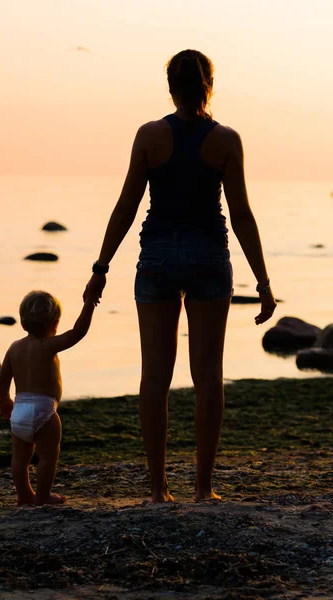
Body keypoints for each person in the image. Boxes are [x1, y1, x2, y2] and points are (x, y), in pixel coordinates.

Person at [84, 49, 277, 503]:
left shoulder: (149, 136)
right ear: (211, 84)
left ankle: (156, 490)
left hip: (156, 259)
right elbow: (242, 214)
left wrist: (101, 267)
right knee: (208, 376)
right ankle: (203, 488)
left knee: (155, 377)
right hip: (209, 254)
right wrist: (264, 283)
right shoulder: (226, 140)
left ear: (170, 86)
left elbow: (127, 206)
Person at [0, 290, 96, 505]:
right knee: (48, 457)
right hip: (44, 409)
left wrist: (4, 401)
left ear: (22, 320)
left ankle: (24, 496)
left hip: (20, 409)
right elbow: (78, 332)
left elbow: (3, 377)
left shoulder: (15, 348)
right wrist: (89, 304)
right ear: (55, 323)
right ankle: (42, 496)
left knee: (20, 458)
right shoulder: (48, 345)